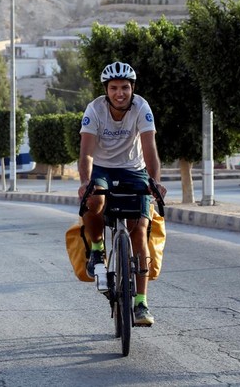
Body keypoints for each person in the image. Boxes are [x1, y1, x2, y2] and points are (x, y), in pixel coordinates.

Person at [77, 61, 167, 326]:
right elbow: (87, 153)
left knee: (139, 231)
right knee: (94, 200)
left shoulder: (142, 107)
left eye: (125, 88)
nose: (120, 93)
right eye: (114, 88)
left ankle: (141, 303)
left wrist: (155, 180)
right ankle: (96, 248)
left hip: (133, 169)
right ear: (106, 90)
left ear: (132, 88)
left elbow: (149, 147)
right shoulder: (94, 109)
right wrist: (85, 181)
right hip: (103, 167)